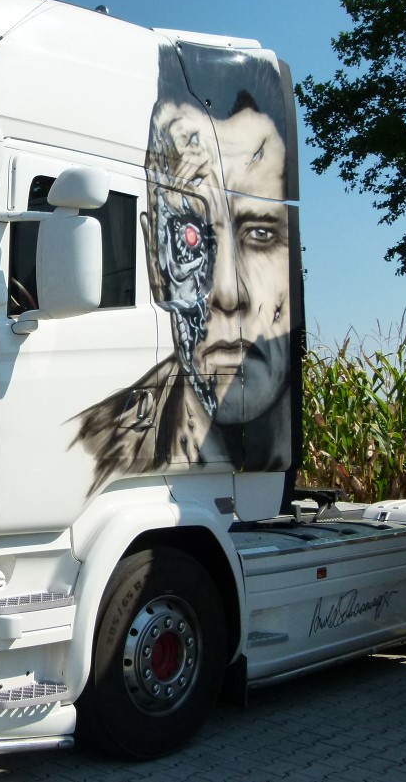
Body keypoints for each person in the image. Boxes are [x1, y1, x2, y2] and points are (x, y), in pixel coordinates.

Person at [74, 47, 294, 494]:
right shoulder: (95, 449)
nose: (228, 293)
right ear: (155, 259)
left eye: (260, 234)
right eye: (190, 239)